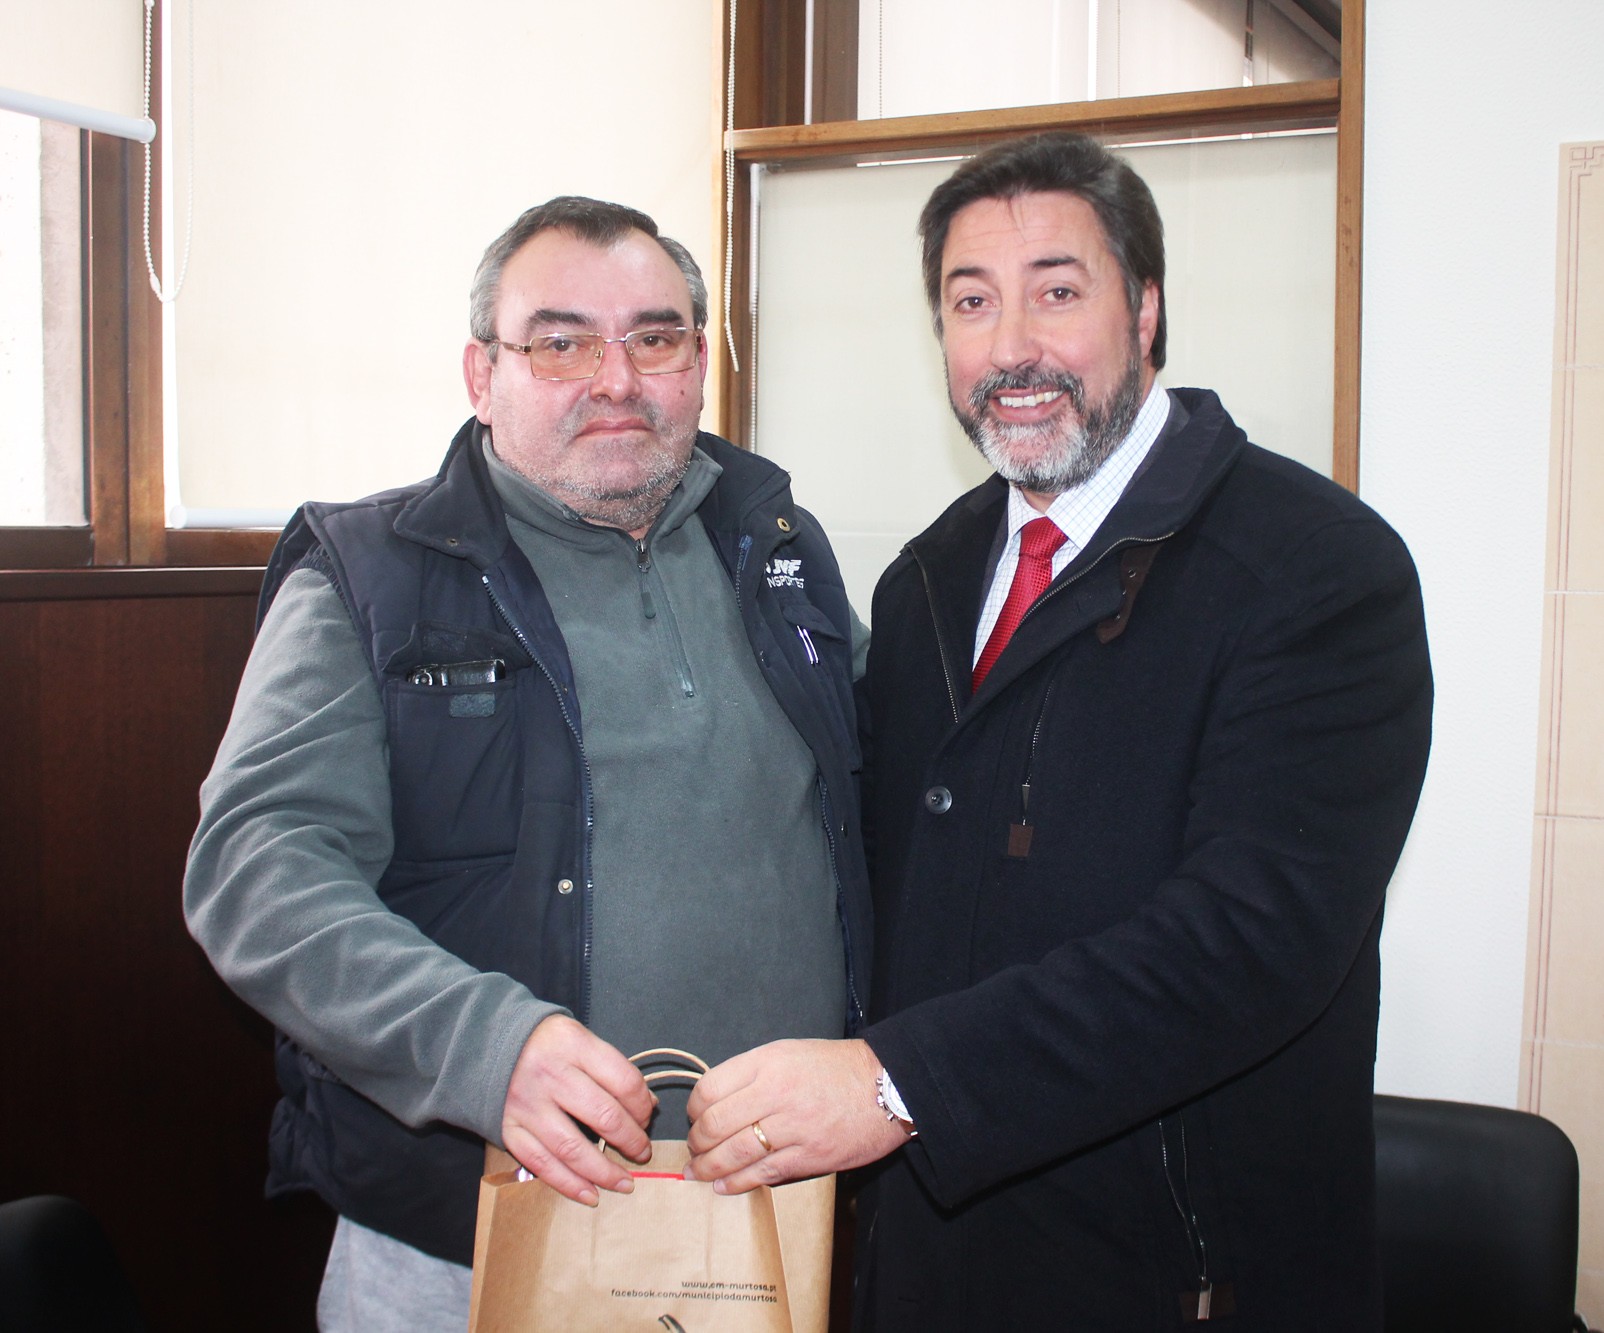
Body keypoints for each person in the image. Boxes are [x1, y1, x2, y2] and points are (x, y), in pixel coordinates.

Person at [684, 133, 1433, 1330]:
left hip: (1181, 1280)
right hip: (934, 1264)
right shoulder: (926, 581)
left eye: (1056, 292)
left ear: (1144, 309)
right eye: (969, 301)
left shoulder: (1313, 569)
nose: (1010, 348)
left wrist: (892, 1084)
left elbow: (1247, 942)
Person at [183, 196, 871, 1331]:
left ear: (699, 363)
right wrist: (484, 1049)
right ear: (481, 373)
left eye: (654, 337)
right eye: (560, 343)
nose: (616, 378)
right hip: (467, 1233)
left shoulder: (777, 545)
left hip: (759, 1219)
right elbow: (256, 874)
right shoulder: (369, 576)